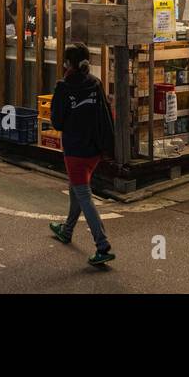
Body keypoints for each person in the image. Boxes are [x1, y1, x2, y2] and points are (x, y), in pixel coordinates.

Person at [49, 42, 117, 267]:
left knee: (83, 195)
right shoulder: (95, 83)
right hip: (95, 150)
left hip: (75, 151)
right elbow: (107, 113)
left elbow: (57, 122)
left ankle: (102, 245)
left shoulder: (63, 87)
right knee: (75, 189)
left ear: (68, 63)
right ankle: (67, 230)